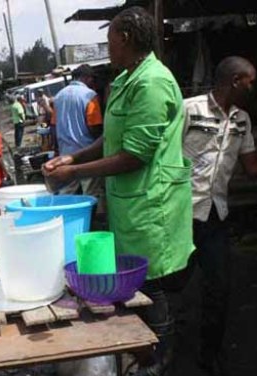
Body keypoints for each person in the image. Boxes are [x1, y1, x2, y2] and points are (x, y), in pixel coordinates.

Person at [43, 7, 194, 375]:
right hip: (131, 203)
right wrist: (72, 156)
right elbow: (113, 140)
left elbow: (134, 155)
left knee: (152, 285)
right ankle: (142, 355)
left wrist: (74, 171)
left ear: (124, 39)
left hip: (151, 202)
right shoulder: (128, 79)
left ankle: (157, 361)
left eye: (109, 39)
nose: (107, 48)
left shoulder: (152, 83)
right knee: (137, 285)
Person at [183, 56, 257, 374]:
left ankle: (209, 358)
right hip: (181, 213)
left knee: (219, 289)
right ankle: (164, 352)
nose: (253, 86)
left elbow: (254, 167)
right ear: (235, 81)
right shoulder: (188, 110)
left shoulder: (243, 120)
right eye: (250, 80)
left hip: (216, 215)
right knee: (174, 287)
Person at [52, 64, 104, 196]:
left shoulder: (58, 96)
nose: (92, 82)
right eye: (92, 79)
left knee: (68, 195)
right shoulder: (89, 95)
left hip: (65, 156)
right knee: (92, 195)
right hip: (87, 155)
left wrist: (57, 150)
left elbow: (54, 125)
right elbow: (94, 126)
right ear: (86, 78)